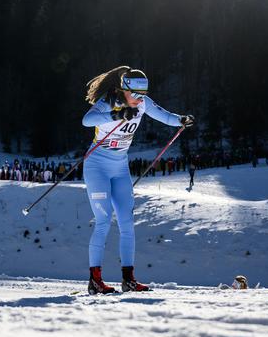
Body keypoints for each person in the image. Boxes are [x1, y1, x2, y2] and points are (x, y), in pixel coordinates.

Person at [82, 66, 194, 294]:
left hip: (120, 168)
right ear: (124, 90)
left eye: (142, 95)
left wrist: (181, 119)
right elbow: (87, 120)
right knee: (103, 221)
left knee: (127, 224)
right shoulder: (109, 101)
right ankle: (95, 281)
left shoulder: (143, 103)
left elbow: (164, 116)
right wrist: (117, 115)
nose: (138, 100)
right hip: (97, 167)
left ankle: (129, 280)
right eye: (135, 95)